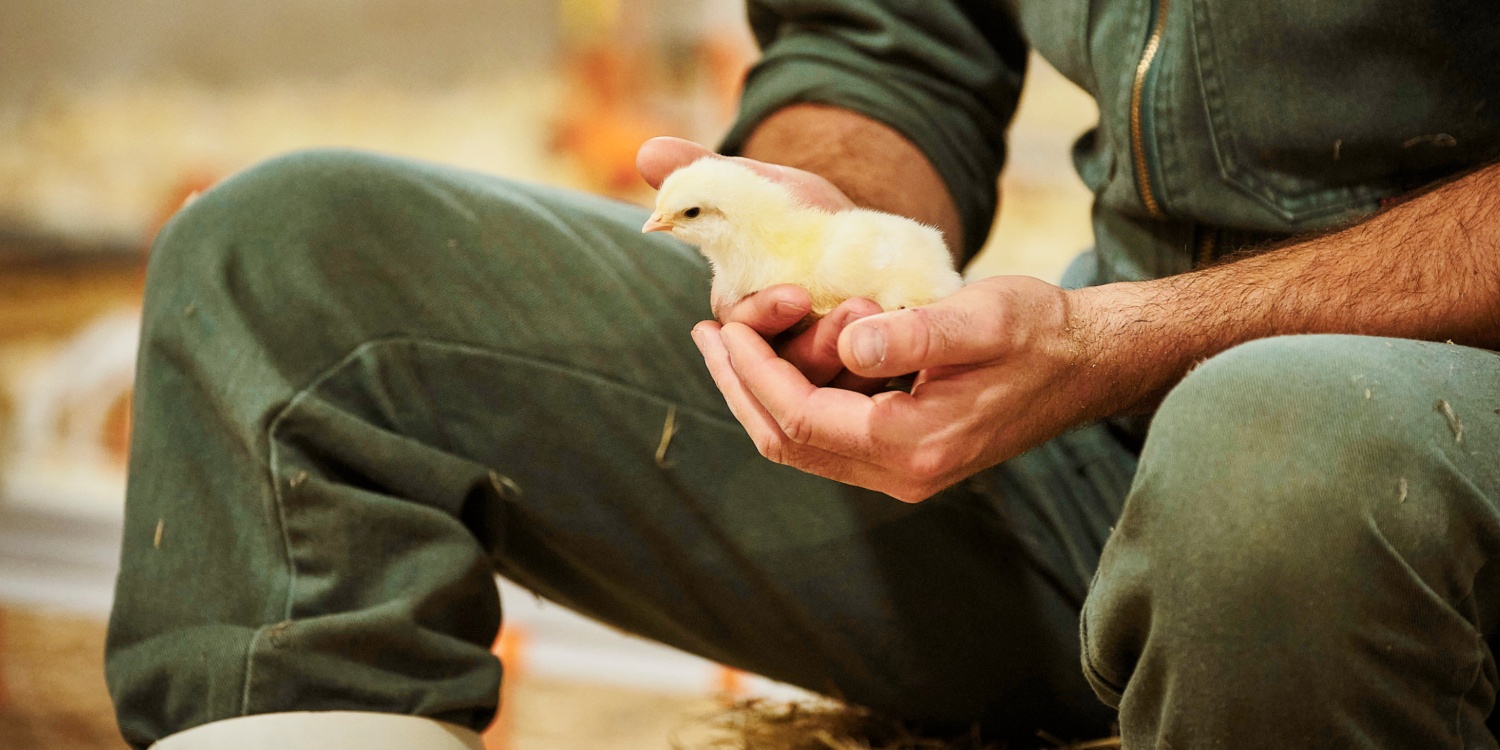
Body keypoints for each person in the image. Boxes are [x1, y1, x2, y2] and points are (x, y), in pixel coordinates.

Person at [107, 1, 1500, 748]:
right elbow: (883, 39)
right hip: (1116, 424)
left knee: (1272, 461)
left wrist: (1129, 340)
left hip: (1389, 440)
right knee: (286, 268)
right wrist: (810, 230)